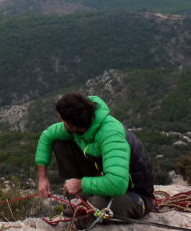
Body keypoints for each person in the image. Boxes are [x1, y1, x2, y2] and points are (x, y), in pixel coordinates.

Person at [35, 93, 154, 226]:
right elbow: (47, 136)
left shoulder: (111, 135)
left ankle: (89, 201)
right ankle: (87, 198)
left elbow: (117, 184)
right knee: (59, 142)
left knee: (97, 206)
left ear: (72, 124)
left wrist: (80, 184)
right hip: (105, 176)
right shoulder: (80, 125)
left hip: (135, 193)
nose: (61, 122)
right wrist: (42, 178)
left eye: (63, 120)